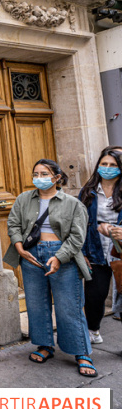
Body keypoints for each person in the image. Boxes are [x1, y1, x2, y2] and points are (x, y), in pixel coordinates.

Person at [3, 159, 95, 377]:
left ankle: (81, 352)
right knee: (36, 303)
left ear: (57, 177)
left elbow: (77, 236)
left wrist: (59, 257)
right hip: (31, 254)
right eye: (36, 173)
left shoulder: (72, 204)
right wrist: (20, 248)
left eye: (44, 174)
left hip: (63, 254)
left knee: (69, 306)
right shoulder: (24, 199)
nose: (39, 178)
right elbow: (13, 224)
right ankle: (45, 345)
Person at [79, 147, 122, 344]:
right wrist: (82, 253)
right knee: (95, 295)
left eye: (113, 165)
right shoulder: (88, 191)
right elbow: (78, 224)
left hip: (120, 252)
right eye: (104, 164)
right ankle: (93, 330)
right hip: (96, 251)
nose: (107, 168)